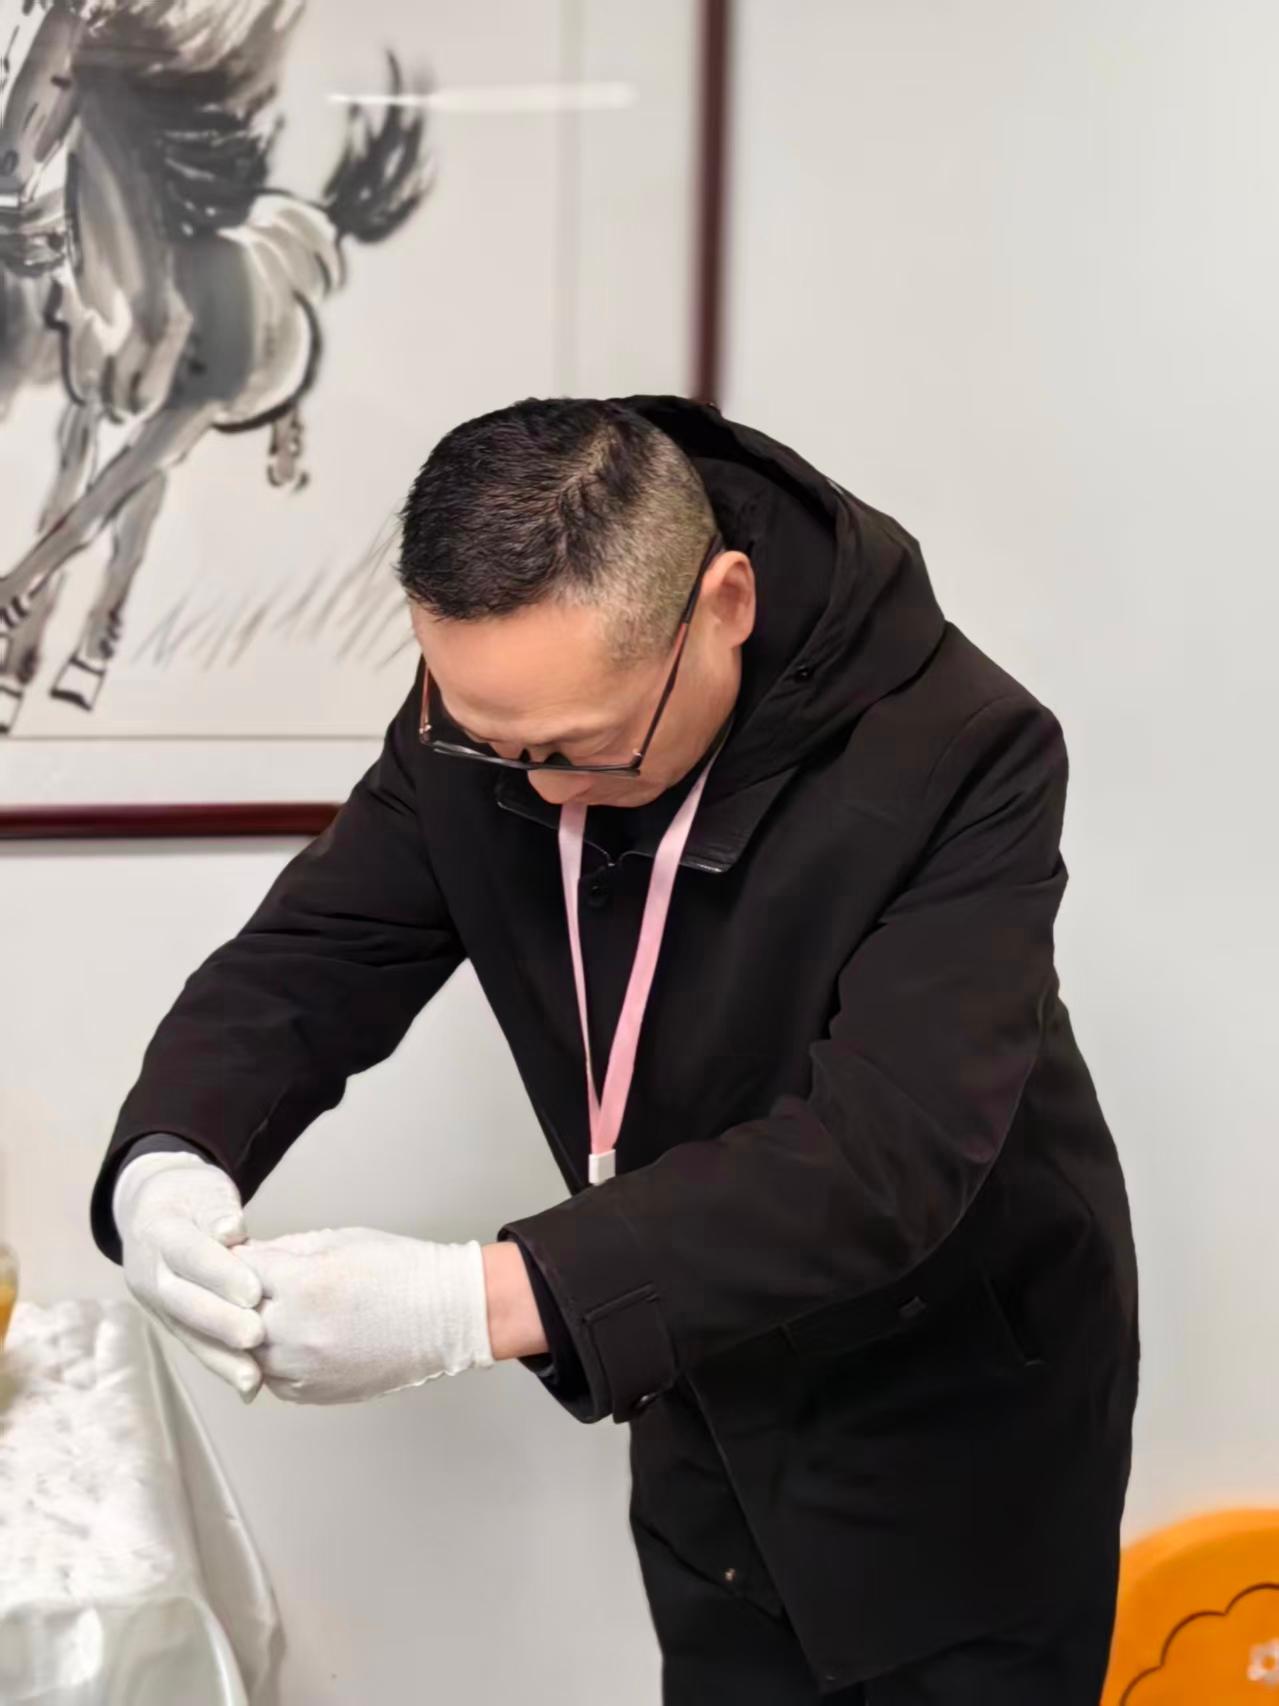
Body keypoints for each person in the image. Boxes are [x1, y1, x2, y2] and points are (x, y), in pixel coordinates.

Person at [91, 394, 1140, 1704]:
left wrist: (462, 1303)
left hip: (954, 1417)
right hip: (696, 1350)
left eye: (581, 751)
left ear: (725, 604)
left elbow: (889, 1154)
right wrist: (171, 1156)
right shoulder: (500, 716)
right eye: (489, 741)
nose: (531, 785)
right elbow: (317, 954)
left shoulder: (964, 749)